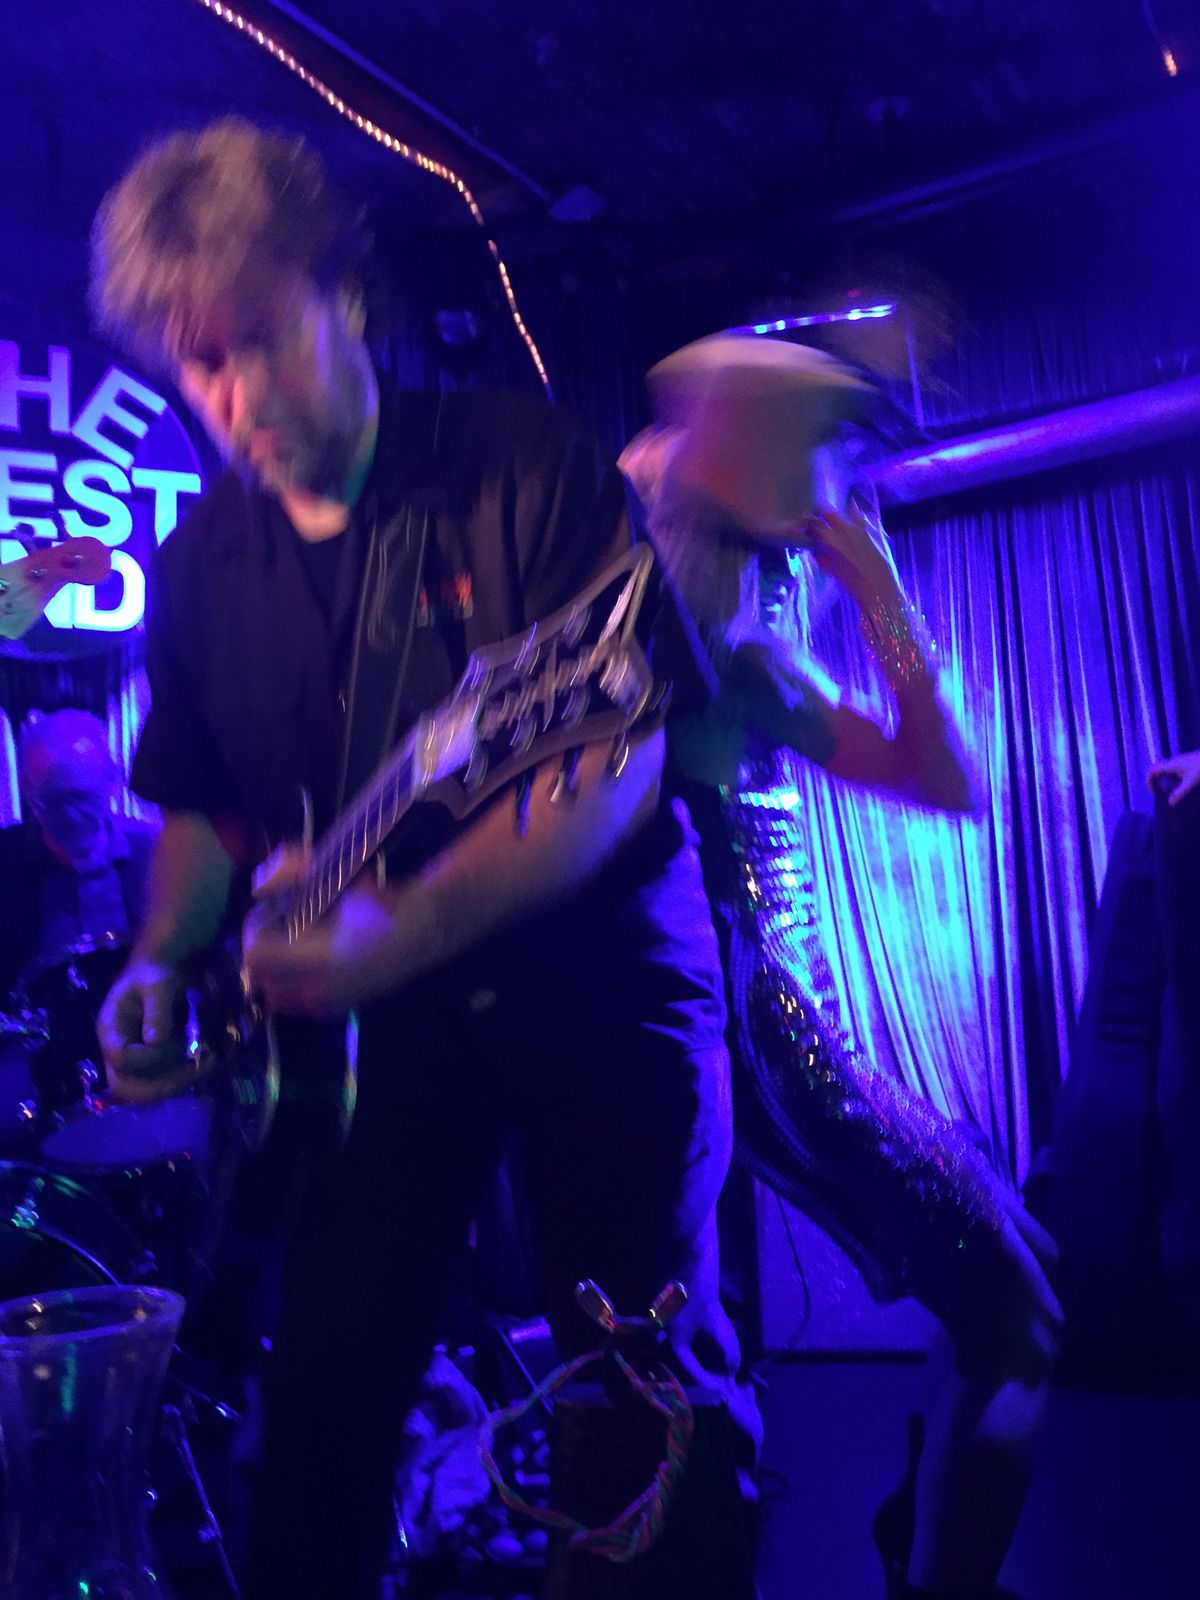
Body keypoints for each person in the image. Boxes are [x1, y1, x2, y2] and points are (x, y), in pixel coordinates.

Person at [89, 120, 758, 1600]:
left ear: (349, 297)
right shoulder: (197, 570)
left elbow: (616, 758)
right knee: (313, 1425)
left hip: (601, 985)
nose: (239, 396)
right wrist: (159, 956)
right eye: (202, 365)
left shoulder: (521, 467)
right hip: (377, 1031)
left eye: (264, 338)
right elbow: (201, 812)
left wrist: (414, 924)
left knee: (635, 1408)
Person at [621, 335, 1063, 1600]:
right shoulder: (731, 653)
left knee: (1017, 1263)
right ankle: (936, 1580)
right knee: (1020, 1319)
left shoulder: (715, 630)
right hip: (775, 1045)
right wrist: (877, 589)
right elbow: (951, 777)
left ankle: (920, 1541)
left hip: (781, 1026)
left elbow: (944, 776)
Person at [0, 709, 157, 1136]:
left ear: (112, 781)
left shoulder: (157, 855)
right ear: (27, 790)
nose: (69, 816)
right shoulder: (4, 865)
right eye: (51, 802)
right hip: (38, 1084)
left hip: (150, 1057)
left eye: (82, 798)